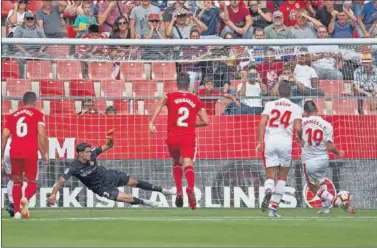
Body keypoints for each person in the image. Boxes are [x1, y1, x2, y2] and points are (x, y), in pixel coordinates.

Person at [47, 129, 174, 208]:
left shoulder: (92, 153)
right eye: (86, 152)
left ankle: (164, 190)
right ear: (80, 154)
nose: (89, 153)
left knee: (134, 182)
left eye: (90, 151)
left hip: (108, 176)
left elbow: (108, 146)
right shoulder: (73, 167)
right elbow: (61, 181)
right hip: (100, 187)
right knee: (127, 198)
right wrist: (53, 194)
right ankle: (149, 203)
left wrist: (111, 139)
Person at [149, 72, 209, 210]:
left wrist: (151, 122)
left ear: (177, 84)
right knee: (188, 163)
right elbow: (206, 121)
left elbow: (159, 105)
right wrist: (192, 124)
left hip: (173, 137)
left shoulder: (169, 96)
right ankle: (190, 188)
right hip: (188, 136)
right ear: (189, 84)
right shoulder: (195, 99)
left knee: (177, 162)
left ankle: (179, 190)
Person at [256, 82, 303, 217]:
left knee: (270, 176)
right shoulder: (296, 107)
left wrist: (259, 142)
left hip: (270, 142)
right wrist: (299, 138)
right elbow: (299, 128)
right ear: (291, 93)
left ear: (277, 93)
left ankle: (269, 188)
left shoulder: (270, 105)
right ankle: (273, 210)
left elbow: (262, 123)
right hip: (285, 143)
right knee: (282, 177)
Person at [300, 100, 355, 215]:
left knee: (311, 186)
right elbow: (330, 147)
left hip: (309, 160)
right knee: (320, 180)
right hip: (323, 159)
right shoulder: (327, 125)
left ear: (305, 112)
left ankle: (337, 202)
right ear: (317, 109)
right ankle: (325, 207)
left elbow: (298, 139)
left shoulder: (301, 122)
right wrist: (338, 152)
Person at [1, 92, 49, 220]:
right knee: (32, 182)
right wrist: (44, 152)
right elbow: (41, 135)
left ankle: (17, 212)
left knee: (17, 181)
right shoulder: (38, 114)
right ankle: (25, 199)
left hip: (14, 151)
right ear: (35, 102)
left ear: (22, 102)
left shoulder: (12, 116)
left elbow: (5, 136)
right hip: (30, 151)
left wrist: (1, 157)